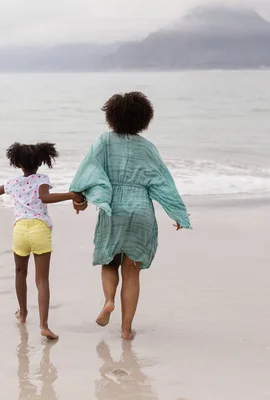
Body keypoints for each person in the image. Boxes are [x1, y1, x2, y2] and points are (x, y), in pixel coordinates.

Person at [69, 92, 192, 340]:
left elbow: (89, 170)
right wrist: (177, 212)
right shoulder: (148, 148)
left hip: (114, 208)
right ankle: (126, 330)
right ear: (144, 119)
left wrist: (79, 196)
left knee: (109, 262)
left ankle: (108, 301)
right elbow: (163, 183)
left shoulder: (103, 141)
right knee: (132, 271)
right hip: (141, 210)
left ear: (111, 116)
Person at [0, 142, 85, 340]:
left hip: (20, 230)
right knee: (42, 280)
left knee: (20, 273)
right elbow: (45, 198)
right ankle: (44, 325)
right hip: (39, 229)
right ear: (40, 161)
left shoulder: (13, 183)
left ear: (18, 163)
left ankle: (22, 313)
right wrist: (71, 195)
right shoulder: (42, 179)